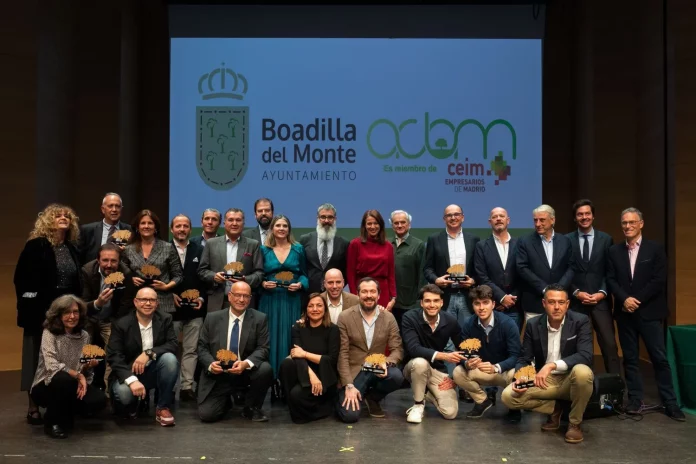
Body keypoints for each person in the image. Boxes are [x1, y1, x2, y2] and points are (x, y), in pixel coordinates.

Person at [606, 208, 685, 421]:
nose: (628, 226)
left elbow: (658, 280)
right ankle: (634, 400)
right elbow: (611, 279)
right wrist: (625, 299)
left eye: (632, 222)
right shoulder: (614, 251)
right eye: (624, 223)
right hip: (625, 314)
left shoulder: (655, 249)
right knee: (630, 359)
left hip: (649, 313)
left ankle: (670, 403)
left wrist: (636, 300)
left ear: (641, 224)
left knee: (659, 359)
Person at [14, 203, 83, 425]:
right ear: (47, 221)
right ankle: (33, 406)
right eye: (57, 215)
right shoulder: (36, 245)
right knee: (35, 357)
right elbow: (21, 279)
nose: (63, 218)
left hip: (67, 312)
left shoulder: (72, 248)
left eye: (67, 216)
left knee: (62, 358)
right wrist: (36, 308)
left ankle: (60, 402)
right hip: (39, 313)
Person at [501, 284, 594, 444]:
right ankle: (555, 408)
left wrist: (551, 365)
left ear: (567, 304)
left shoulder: (581, 321)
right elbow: (524, 358)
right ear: (544, 303)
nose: (556, 307)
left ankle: (574, 423)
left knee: (583, 372)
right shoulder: (533, 324)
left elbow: (585, 355)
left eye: (561, 302)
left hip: (570, 378)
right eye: (551, 302)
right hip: (545, 381)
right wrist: (521, 377)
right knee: (508, 396)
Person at [29, 295, 107, 438]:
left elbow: (81, 366)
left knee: (99, 400)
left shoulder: (84, 335)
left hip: (73, 382)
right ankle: (51, 422)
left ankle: (66, 412)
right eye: (67, 312)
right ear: (58, 315)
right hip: (46, 384)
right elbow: (52, 366)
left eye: (75, 312)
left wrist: (88, 366)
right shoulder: (49, 333)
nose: (72, 316)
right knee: (63, 379)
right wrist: (78, 375)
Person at [197, 281, 273, 423]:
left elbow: (263, 348)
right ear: (230, 296)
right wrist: (211, 364)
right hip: (219, 373)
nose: (241, 300)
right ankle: (225, 400)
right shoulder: (212, 318)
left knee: (265, 369)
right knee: (207, 415)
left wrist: (246, 363)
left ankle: (251, 407)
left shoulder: (260, 318)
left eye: (246, 296)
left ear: (250, 299)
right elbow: (202, 348)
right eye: (238, 295)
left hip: (245, 372)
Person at [107, 287, 179, 427]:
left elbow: (172, 344)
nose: (148, 303)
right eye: (143, 300)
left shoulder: (165, 318)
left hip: (153, 370)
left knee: (170, 359)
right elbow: (114, 356)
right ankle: (136, 401)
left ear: (157, 303)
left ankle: (162, 407)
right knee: (124, 396)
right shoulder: (121, 324)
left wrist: (148, 353)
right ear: (135, 302)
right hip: (128, 372)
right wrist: (132, 380)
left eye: (152, 300)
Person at [336, 278, 404, 423]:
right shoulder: (345, 317)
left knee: (396, 376)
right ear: (358, 294)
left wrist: (386, 362)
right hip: (355, 371)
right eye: (364, 291)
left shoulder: (388, 317)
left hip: (376, 368)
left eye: (372, 291)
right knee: (350, 416)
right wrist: (348, 384)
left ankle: (372, 398)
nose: (369, 295)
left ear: (379, 295)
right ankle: (346, 394)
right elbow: (342, 353)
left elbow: (397, 349)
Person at [452, 285, 522, 421]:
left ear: (493, 304)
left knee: (516, 372)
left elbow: (517, 356)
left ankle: (514, 407)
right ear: (472, 306)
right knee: (458, 372)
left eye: (485, 303)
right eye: (477, 303)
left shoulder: (507, 323)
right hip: (481, 369)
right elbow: (462, 354)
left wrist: (496, 367)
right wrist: (467, 363)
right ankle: (482, 401)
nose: (481, 307)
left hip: (503, 371)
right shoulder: (468, 324)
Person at [567, 199, 620, 374]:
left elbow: (609, 271)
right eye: (580, 214)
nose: (584, 217)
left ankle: (615, 385)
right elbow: (565, 271)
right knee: (579, 347)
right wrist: (576, 292)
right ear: (575, 218)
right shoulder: (566, 240)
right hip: (576, 302)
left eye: (587, 213)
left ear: (593, 216)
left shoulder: (606, 239)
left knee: (609, 345)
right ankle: (584, 385)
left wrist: (602, 293)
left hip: (601, 301)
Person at [258, 214, 309, 398]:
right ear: (272, 228)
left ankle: (287, 382)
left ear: (289, 229)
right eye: (278, 225)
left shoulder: (298, 249)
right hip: (270, 300)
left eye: (284, 226)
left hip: (291, 299)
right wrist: (263, 283)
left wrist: (301, 284)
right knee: (270, 340)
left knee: (289, 338)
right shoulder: (263, 249)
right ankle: (271, 381)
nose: (281, 228)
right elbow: (258, 274)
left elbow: (304, 274)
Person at [401, 284, 462, 424]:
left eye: (436, 301)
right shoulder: (410, 318)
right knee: (420, 363)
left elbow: (463, 349)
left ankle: (428, 394)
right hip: (413, 367)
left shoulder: (450, 321)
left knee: (450, 413)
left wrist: (455, 378)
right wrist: (444, 356)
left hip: (436, 371)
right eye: (427, 301)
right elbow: (413, 349)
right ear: (421, 303)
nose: (432, 305)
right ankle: (418, 404)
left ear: (442, 303)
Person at [81, 243, 136, 389]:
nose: (109, 265)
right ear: (98, 260)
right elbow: (82, 303)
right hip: (89, 317)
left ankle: (109, 390)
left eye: (113, 261)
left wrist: (114, 323)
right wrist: (98, 303)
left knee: (114, 351)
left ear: (119, 261)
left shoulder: (126, 273)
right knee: (84, 352)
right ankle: (84, 387)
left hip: (112, 318)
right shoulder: (87, 271)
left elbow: (126, 304)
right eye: (105, 260)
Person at [279, 293, 340, 424]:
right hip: (304, 372)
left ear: (325, 309)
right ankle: (295, 411)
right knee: (286, 364)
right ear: (306, 309)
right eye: (310, 306)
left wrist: (305, 354)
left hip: (325, 374)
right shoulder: (298, 327)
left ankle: (323, 409)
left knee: (297, 395)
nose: (315, 309)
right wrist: (312, 376)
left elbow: (331, 360)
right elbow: (296, 354)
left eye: (319, 305)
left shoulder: (333, 329)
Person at [169, 214, 207, 402]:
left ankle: (186, 387)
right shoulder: (164, 248)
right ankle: (169, 387)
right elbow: (161, 276)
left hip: (195, 309)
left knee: (191, 350)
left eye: (185, 226)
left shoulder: (200, 250)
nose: (182, 229)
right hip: (171, 309)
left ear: (190, 229)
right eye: (178, 226)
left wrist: (201, 297)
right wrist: (169, 294)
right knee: (170, 350)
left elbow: (204, 277)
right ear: (172, 229)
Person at [197, 208, 264, 312]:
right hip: (217, 300)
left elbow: (259, 273)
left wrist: (245, 280)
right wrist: (214, 276)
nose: (234, 223)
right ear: (224, 223)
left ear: (243, 223)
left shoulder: (253, 244)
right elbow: (202, 271)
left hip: (243, 301)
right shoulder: (211, 243)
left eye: (238, 220)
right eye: (231, 220)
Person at [516, 205, 574, 320]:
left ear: (552, 220)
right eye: (535, 220)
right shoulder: (524, 241)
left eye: (542, 220)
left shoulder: (565, 241)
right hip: (535, 302)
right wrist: (544, 288)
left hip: (560, 303)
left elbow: (571, 267)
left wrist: (559, 289)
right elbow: (522, 267)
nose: (538, 224)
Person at [121, 209, 183, 316]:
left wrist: (167, 286)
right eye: (143, 223)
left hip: (163, 301)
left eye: (150, 223)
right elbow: (121, 273)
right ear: (137, 227)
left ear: (155, 227)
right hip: (136, 301)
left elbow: (178, 276)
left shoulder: (167, 247)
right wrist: (130, 279)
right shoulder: (128, 249)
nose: (146, 226)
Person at [474, 207, 521, 331]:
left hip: (515, 306)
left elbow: (524, 274)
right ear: (490, 222)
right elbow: (481, 276)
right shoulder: (481, 246)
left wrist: (511, 299)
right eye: (495, 217)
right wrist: (501, 298)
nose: (498, 219)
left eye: (502, 216)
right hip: (491, 306)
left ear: (508, 220)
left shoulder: (520, 244)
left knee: (512, 342)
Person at [346, 210, 397, 309]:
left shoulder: (388, 246)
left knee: (382, 319)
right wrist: (354, 296)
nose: (372, 227)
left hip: (383, 293)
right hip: (362, 292)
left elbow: (391, 274)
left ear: (381, 225)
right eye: (369, 224)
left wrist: (393, 298)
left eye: (376, 223)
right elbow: (350, 274)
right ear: (364, 226)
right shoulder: (355, 244)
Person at [299, 203, 349, 295]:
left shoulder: (343, 243)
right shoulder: (305, 239)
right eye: (323, 217)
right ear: (317, 218)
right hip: (308, 294)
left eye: (330, 217)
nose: (326, 220)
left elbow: (346, 271)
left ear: (335, 219)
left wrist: (337, 287)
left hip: (334, 294)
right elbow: (300, 267)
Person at [390, 210, 426, 332]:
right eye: (396, 223)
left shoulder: (419, 245)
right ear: (392, 225)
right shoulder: (387, 244)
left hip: (410, 304)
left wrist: (419, 300)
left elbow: (422, 275)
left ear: (409, 224)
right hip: (390, 302)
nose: (399, 225)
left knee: (408, 336)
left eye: (403, 222)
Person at [78, 193, 133, 264]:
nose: (114, 209)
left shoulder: (129, 230)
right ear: (103, 209)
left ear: (121, 209)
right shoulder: (87, 230)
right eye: (110, 206)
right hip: (94, 270)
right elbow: (79, 258)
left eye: (117, 206)